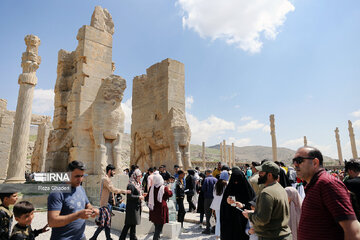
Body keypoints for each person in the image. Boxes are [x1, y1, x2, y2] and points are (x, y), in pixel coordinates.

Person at [293, 146, 360, 240]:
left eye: (299, 160)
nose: (295, 164)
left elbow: (353, 230)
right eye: (294, 161)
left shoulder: (327, 184)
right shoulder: (314, 185)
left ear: (315, 162)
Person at [48, 161, 99, 240]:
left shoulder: (80, 188)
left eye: (82, 176)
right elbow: (52, 222)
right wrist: (77, 215)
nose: (80, 179)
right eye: (77, 176)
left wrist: (92, 210)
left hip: (81, 237)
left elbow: (87, 204)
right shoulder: (57, 193)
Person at [242, 161, 291, 240]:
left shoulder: (267, 193)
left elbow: (262, 219)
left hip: (272, 237)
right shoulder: (280, 188)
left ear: (269, 175)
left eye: (261, 172)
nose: (259, 174)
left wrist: (249, 215)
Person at [90, 164, 130, 240]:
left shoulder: (107, 179)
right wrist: (125, 191)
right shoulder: (105, 179)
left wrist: (114, 201)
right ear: (109, 171)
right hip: (106, 205)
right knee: (105, 222)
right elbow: (113, 189)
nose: (114, 173)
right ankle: (95, 238)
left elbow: (110, 192)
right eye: (113, 171)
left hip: (109, 204)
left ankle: (106, 238)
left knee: (106, 222)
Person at [221, 167, 255, 240]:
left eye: (238, 181)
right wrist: (227, 202)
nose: (236, 183)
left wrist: (243, 205)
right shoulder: (228, 190)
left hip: (244, 223)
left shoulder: (248, 191)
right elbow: (223, 209)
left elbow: (254, 205)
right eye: (234, 181)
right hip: (231, 223)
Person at [119, 169, 145, 240]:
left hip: (135, 208)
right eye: (139, 176)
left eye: (140, 176)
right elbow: (130, 197)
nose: (140, 177)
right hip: (132, 209)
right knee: (129, 225)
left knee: (132, 225)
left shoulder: (137, 184)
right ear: (135, 176)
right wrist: (139, 197)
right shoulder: (131, 185)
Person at [145, 174, 173, 240]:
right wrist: (169, 188)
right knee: (159, 226)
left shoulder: (152, 187)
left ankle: (157, 237)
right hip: (161, 209)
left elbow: (147, 198)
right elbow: (170, 194)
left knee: (156, 224)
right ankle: (155, 237)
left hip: (154, 208)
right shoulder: (164, 188)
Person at [210, 171, 229, 239]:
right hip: (225, 204)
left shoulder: (216, 184)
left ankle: (217, 235)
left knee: (218, 220)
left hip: (216, 205)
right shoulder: (227, 184)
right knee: (225, 220)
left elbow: (214, 194)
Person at [202, 169, 218, 234]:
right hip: (214, 199)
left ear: (207, 173)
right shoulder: (216, 179)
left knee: (208, 214)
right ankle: (214, 229)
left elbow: (203, 189)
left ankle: (208, 229)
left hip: (208, 199)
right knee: (214, 214)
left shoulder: (206, 179)